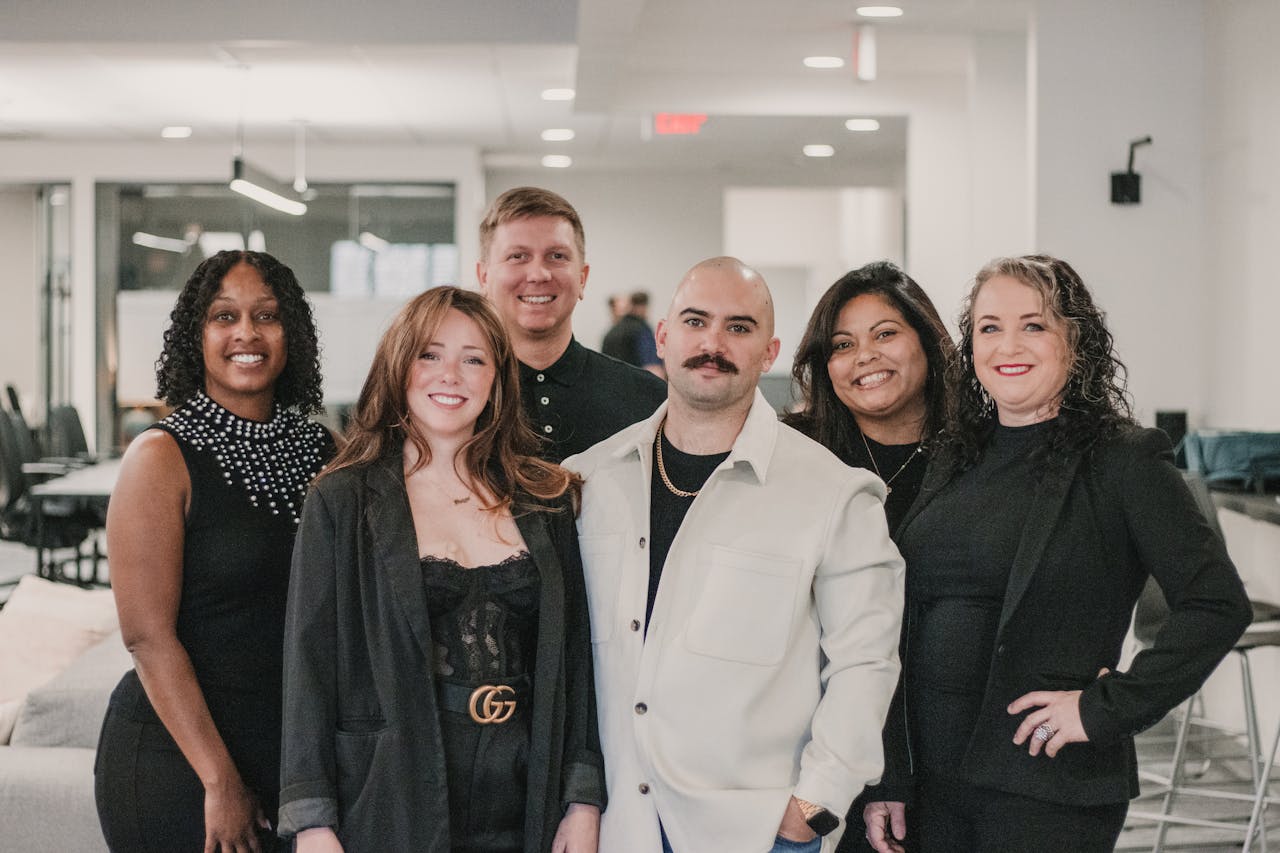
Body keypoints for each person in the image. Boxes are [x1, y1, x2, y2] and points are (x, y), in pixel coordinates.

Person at [863, 255, 1252, 853]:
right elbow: (896, 619)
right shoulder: (954, 454)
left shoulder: (1123, 459)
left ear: (1076, 340)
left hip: (1044, 780)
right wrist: (889, 773)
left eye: (1034, 325)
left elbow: (1215, 604)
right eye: (989, 327)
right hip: (931, 778)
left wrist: (1106, 709)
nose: (1007, 344)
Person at [565, 256, 905, 852]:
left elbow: (865, 665)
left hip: (756, 835)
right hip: (615, 828)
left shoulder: (833, 493)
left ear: (768, 352)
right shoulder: (588, 481)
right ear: (664, 336)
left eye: (739, 328)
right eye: (695, 322)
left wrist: (813, 810)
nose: (713, 344)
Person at [277, 286, 604, 852]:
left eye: (474, 359)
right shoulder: (342, 500)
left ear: (498, 381)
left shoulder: (544, 498)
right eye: (430, 354)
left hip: (529, 788)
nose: (450, 374)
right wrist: (312, 821)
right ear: (399, 366)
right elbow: (309, 664)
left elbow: (575, 656)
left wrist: (582, 799)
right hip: (390, 786)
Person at [95, 250, 332, 852]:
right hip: (180, 762)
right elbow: (147, 636)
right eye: (224, 317)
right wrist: (219, 780)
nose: (246, 334)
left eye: (267, 317)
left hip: (290, 759)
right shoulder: (159, 458)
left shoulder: (324, 448)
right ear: (196, 336)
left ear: (292, 335)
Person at [477, 186, 666, 462]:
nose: (538, 274)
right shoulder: (457, 399)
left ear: (582, 278)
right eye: (517, 256)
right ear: (484, 278)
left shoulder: (650, 401)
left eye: (557, 256)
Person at [785, 261, 954, 533]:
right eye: (843, 345)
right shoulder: (792, 452)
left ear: (926, 339)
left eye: (885, 334)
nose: (865, 356)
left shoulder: (977, 450)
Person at [602, 290, 664, 378]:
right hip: (638, 385)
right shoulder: (642, 329)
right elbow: (653, 367)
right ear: (644, 307)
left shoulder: (610, 333)